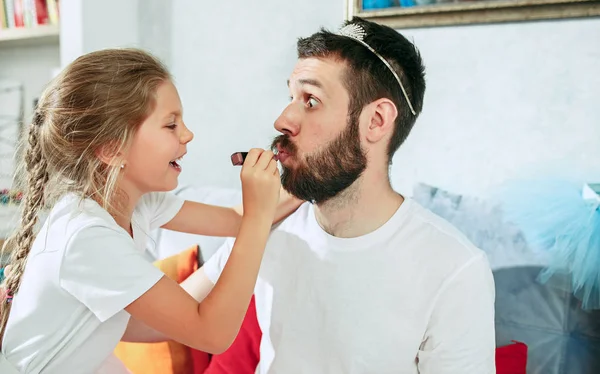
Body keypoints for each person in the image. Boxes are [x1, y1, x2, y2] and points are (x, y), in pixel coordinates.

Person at [186, 17, 496, 373]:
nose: (283, 119)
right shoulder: (267, 223)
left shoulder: (455, 269)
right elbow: (157, 317)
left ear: (376, 121)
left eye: (311, 100)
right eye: (291, 96)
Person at [0, 48, 301, 373]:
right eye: (171, 125)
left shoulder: (138, 203)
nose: (188, 134)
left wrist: (306, 185)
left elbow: (235, 220)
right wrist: (257, 217)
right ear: (113, 149)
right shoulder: (86, 237)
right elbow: (212, 334)